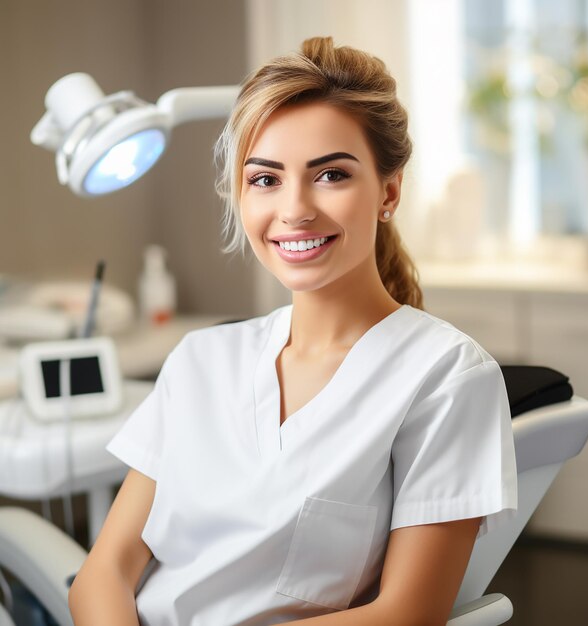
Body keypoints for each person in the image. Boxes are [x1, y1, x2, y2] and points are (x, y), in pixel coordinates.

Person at [68, 36, 517, 626]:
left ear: (388, 191)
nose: (295, 209)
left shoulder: (446, 377)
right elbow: (105, 570)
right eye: (265, 179)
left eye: (331, 174)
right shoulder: (202, 359)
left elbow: (408, 613)